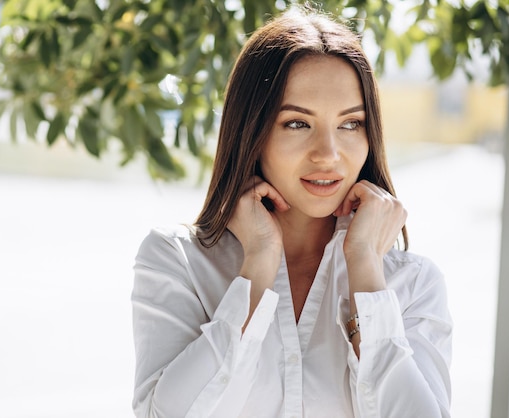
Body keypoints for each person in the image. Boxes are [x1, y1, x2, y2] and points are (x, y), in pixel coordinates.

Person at [132, 6, 452, 418]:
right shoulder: (178, 262)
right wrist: (259, 263)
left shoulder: (413, 283)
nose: (328, 154)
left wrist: (367, 270)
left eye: (351, 124)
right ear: (252, 131)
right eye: (297, 124)